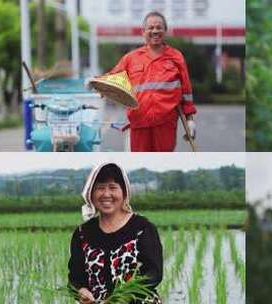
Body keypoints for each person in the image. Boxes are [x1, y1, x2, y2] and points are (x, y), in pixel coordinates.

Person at [68, 162, 163, 304]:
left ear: (124, 193)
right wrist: (81, 291)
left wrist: (123, 296)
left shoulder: (143, 229)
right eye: (100, 188)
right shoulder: (82, 234)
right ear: (91, 193)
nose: (106, 194)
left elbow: (153, 273)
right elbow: (75, 278)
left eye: (113, 188)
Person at [108, 11, 197, 152]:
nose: (155, 31)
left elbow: (186, 91)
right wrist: (95, 84)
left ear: (165, 31)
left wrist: (190, 119)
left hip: (165, 124)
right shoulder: (131, 58)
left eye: (159, 27)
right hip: (139, 123)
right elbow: (111, 79)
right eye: (150, 28)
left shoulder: (176, 57)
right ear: (143, 32)